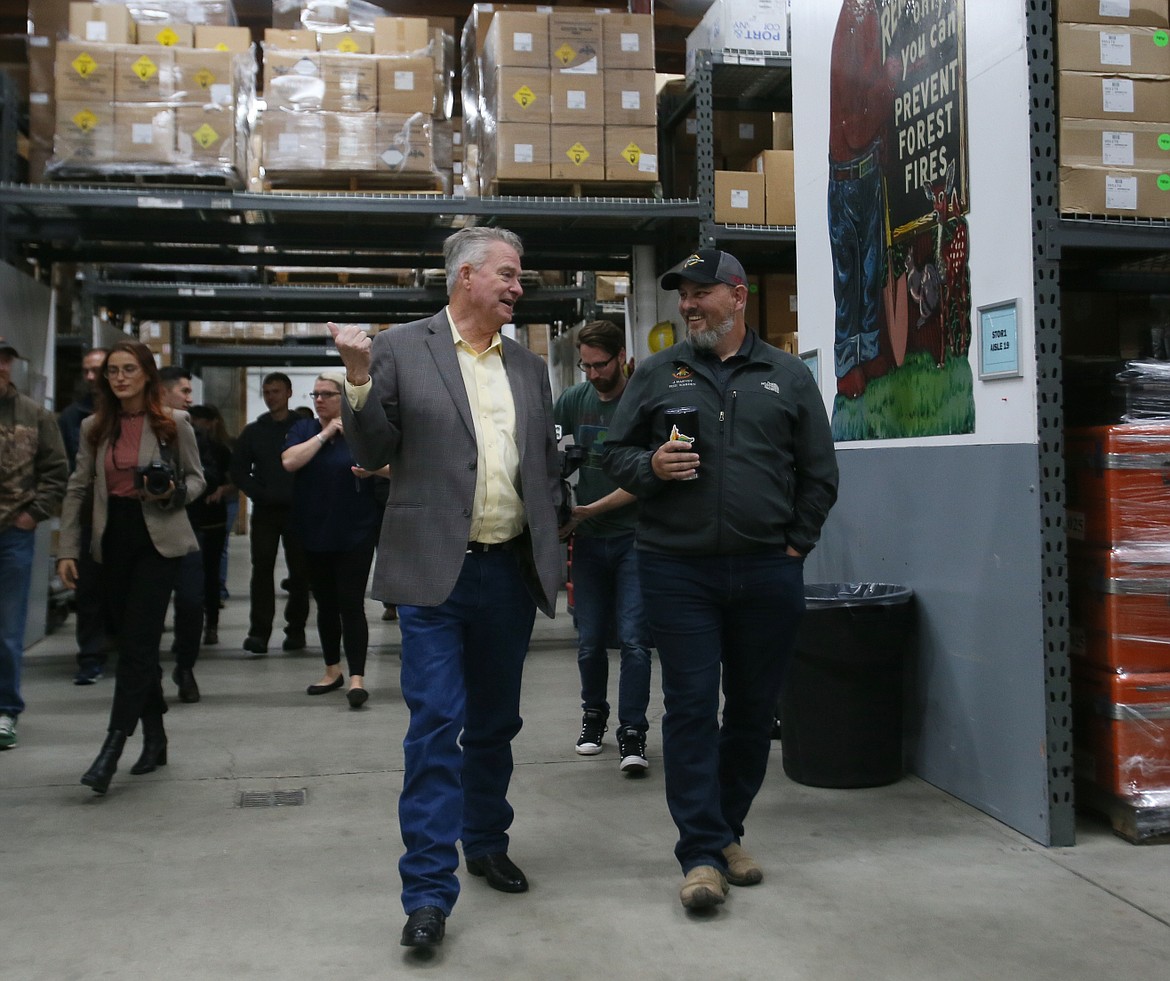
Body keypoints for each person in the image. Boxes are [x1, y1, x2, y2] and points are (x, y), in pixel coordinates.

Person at [329, 226, 562, 949]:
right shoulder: (399, 348)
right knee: (435, 727)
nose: (518, 287)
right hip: (435, 572)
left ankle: (486, 837)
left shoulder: (528, 365)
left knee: (495, 723)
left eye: (518, 277)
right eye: (508, 274)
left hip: (508, 569)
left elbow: (544, 466)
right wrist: (358, 380)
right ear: (466, 277)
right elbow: (371, 451)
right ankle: (428, 891)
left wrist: (558, 543)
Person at [603, 248, 839, 911]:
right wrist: (650, 465)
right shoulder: (657, 372)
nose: (687, 304)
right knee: (689, 707)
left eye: (700, 292)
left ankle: (725, 828)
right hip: (676, 569)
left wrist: (796, 544)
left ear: (738, 295)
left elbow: (820, 473)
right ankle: (701, 853)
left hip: (768, 569)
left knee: (754, 711)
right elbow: (613, 453)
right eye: (682, 294)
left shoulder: (786, 376)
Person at [57, 341, 205, 794]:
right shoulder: (93, 428)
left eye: (129, 369)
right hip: (109, 543)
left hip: (156, 542)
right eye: (113, 372)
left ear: (146, 374)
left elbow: (199, 479)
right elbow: (78, 489)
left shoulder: (173, 423)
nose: (120, 378)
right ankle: (157, 736)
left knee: (139, 645)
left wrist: (171, 493)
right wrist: (67, 548)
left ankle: (113, 746)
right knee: (129, 645)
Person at [553, 319, 652, 774]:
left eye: (600, 365)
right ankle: (594, 716)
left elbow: (650, 476)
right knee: (590, 641)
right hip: (589, 543)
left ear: (621, 358)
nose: (592, 374)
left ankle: (633, 731)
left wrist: (588, 511)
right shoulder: (574, 401)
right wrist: (559, 509)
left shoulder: (644, 402)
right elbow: (553, 459)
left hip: (635, 538)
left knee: (633, 641)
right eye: (585, 366)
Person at [281, 371, 381, 708]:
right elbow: (290, 461)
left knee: (351, 603)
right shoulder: (303, 429)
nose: (319, 399)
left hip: (356, 531)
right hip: (313, 531)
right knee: (324, 604)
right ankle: (331, 670)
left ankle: (357, 678)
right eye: (316, 395)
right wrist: (326, 434)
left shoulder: (362, 430)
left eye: (327, 394)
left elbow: (392, 465)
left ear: (344, 398)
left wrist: (371, 469)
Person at [0, 337, 69, 750]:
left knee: (7, 630)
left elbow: (56, 472)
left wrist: (33, 514)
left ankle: (6, 709)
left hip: (13, 533)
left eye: (4, 362)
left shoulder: (34, 416)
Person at [828, 0, 898, 398]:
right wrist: (891, 79)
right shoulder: (854, 22)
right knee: (850, 276)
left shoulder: (863, 17)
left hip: (864, 173)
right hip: (849, 177)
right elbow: (856, 126)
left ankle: (868, 351)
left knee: (869, 270)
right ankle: (847, 366)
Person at [230, 372, 310, 657]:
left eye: (276, 391)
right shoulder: (254, 431)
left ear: (288, 393)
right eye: (266, 392)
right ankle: (259, 633)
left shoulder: (304, 428)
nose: (270, 397)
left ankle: (296, 630)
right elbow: (238, 470)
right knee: (261, 570)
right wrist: (257, 492)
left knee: (301, 574)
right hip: (266, 512)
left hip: (299, 511)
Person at [58, 346, 111, 685]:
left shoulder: (130, 414)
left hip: (125, 513)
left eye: (98, 370)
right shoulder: (73, 418)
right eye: (86, 371)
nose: (91, 377)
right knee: (88, 590)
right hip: (90, 514)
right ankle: (90, 657)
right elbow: (71, 476)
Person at [160, 366, 209, 702]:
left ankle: (185, 666)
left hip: (184, 528)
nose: (191, 399)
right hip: (142, 531)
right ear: (163, 391)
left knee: (192, 603)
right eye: (185, 392)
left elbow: (199, 476)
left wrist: (178, 494)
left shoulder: (185, 426)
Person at [188, 405, 235, 648]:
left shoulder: (220, 450)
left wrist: (221, 491)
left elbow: (233, 481)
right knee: (188, 579)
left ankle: (211, 625)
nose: (195, 426)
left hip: (213, 518)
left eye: (199, 421)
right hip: (189, 518)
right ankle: (189, 628)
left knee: (211, 574)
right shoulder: (182, 448)